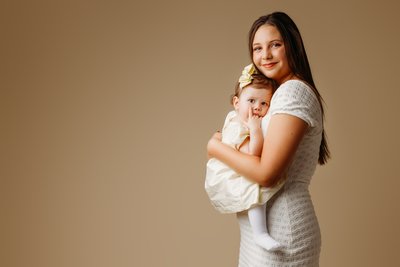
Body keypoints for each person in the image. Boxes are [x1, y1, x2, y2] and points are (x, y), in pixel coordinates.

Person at [207, 12, 330, 266]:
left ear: (292, 45)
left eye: (275, 44)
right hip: (263, 234)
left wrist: (216, 148)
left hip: (282, 233)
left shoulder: (292, 92)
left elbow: (266, 174)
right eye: (257, 48)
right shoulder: (276, 93)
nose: (266, 55)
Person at [205, 64, 285, 251]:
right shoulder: (239, 125)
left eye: (264, 103)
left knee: (254, 189)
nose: (257, 107)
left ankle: (259, 234)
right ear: (236, 103)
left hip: (231, 167)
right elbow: (252, 154)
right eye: (251, 101)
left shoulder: (239, 119)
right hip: (227, 174)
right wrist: (256, 130)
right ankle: (260, 233)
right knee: (253, 192)